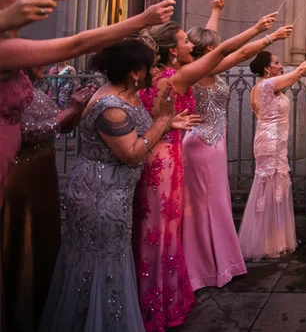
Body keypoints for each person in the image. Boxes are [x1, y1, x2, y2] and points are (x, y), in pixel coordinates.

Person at [39, 39, 198, 332]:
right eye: (151, 67)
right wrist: (162, 123)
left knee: (110, 262)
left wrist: (167, 123)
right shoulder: (110, 106)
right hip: (100, 196)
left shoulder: (127, 94)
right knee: (100, 265)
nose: (155, 72)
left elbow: (137, 129)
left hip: (116, 193)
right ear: (135, 72)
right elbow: (132, 153)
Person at [134, 14, 274, 331]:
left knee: (155, 229)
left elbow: (217, 47)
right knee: (167, 227)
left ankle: (159, 291)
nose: (191, 46)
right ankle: (172, 290)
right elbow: (226, 51)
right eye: (185, 42)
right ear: (172, 50)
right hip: (172, 157)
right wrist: (260, 32)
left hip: (154, 153)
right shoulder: (178, 78)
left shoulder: (149, 78)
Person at [182, 0, 293, 290]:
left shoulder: (202, 65)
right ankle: (207, 265)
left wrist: (215, 11)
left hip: (211, 143)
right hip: (202, 144)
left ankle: (217, 261)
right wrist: (266, 33)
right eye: (212, 46)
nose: (216, 47)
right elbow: (241, 51)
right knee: (208, 205)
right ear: (208, 51)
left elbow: (211, 40)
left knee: (212, 203)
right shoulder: (200, 70)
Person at [1, 67, 93, 331]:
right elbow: (24, 132)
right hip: (21, 179)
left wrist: (75, 109)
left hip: (43, 175)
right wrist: (70, 111)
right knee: (23, 240)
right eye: (39, 61)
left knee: (44, 238)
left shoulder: (36, 90)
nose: (46, 65)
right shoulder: (10, 92)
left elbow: (61, 126)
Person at [239, 42, 306, 259]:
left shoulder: (260, 87)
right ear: (267, 69)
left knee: (273, 188)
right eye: (276, 63)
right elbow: (301, 71)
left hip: (269, 141)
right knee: (271, 188)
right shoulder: (266, 86)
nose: (281, 65)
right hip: (271, 143)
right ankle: (267, 242)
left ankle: (272, 238)